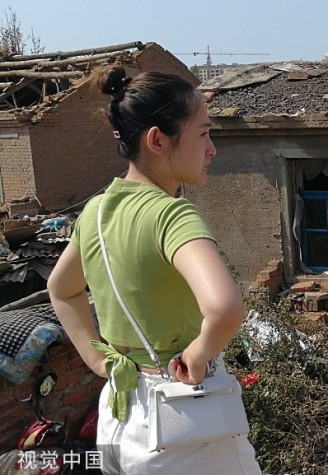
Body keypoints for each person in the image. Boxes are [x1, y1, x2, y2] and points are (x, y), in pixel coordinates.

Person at [47, 65, 261, 474]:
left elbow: (61, 289)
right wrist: (198, 355)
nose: (212, 149)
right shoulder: (172, 216)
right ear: (158, 140)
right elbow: (225, 309)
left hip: (119, 414)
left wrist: (97, 360)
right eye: (203, 133)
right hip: (183, 425)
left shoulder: (95, 212)